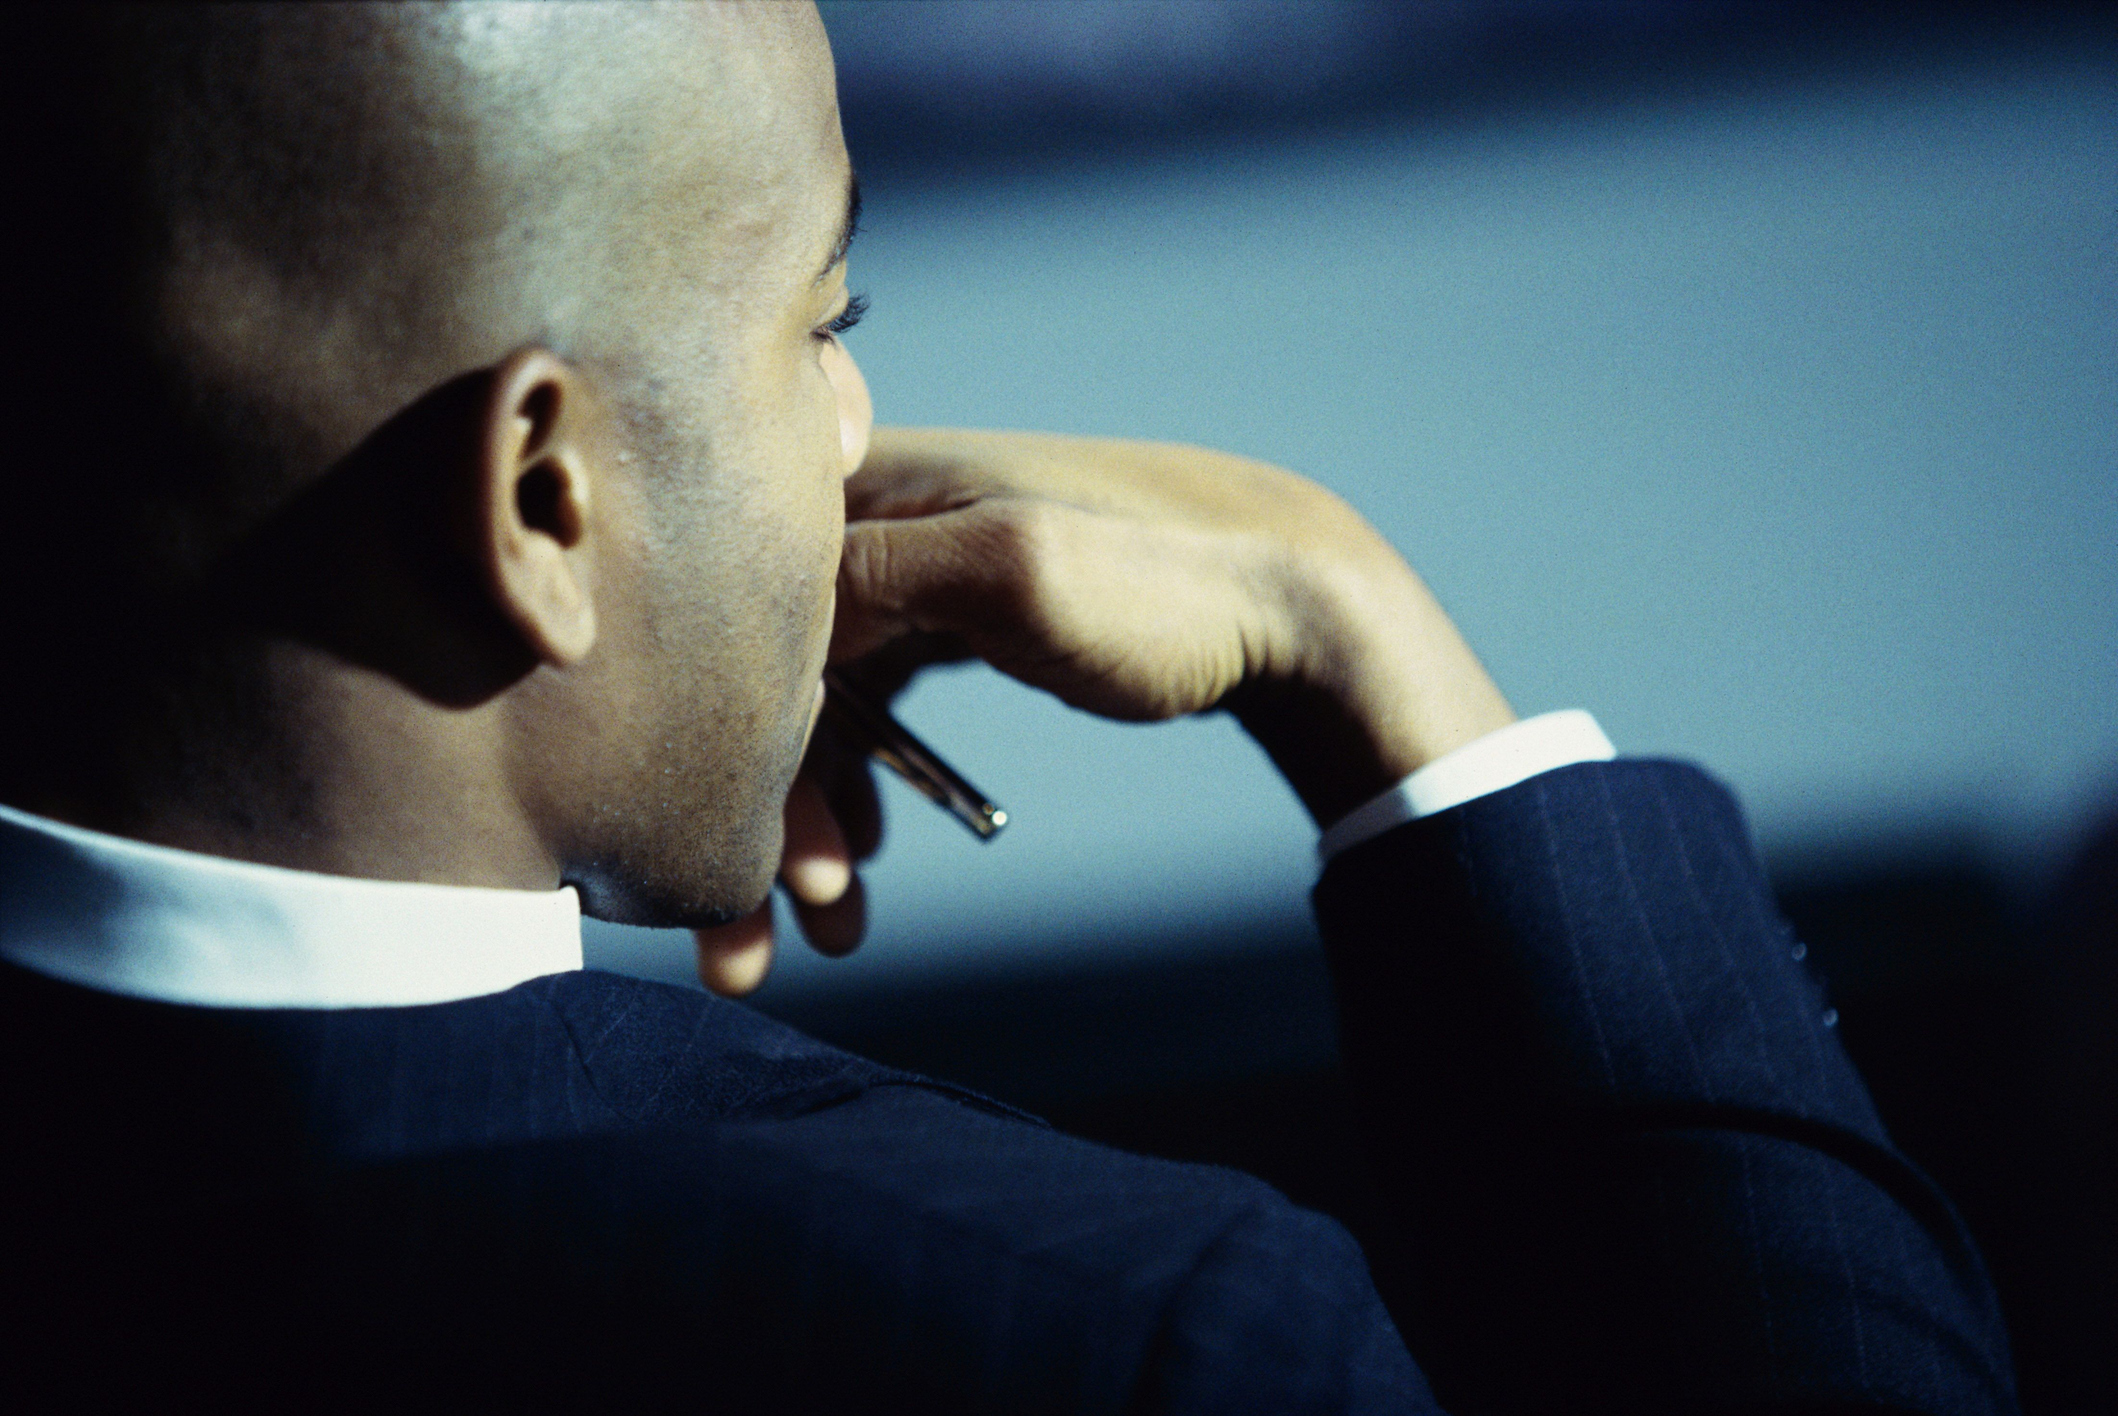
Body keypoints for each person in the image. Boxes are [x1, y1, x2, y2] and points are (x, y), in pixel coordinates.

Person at [0, 5, 2016, 1412]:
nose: (861, 426)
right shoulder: (1115, 1337)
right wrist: (1357, 635)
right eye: (826, 324)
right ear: (547, 498)